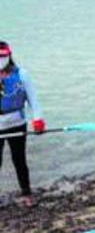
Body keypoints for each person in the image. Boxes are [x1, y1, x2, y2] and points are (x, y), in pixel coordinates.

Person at [0, 41, 44, 207]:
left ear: (9, 56)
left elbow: (33, 98)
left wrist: (38, 119)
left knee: (19, 159)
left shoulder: (22, 75)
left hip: (17, 123)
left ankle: (26, 193)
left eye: (2, 56)